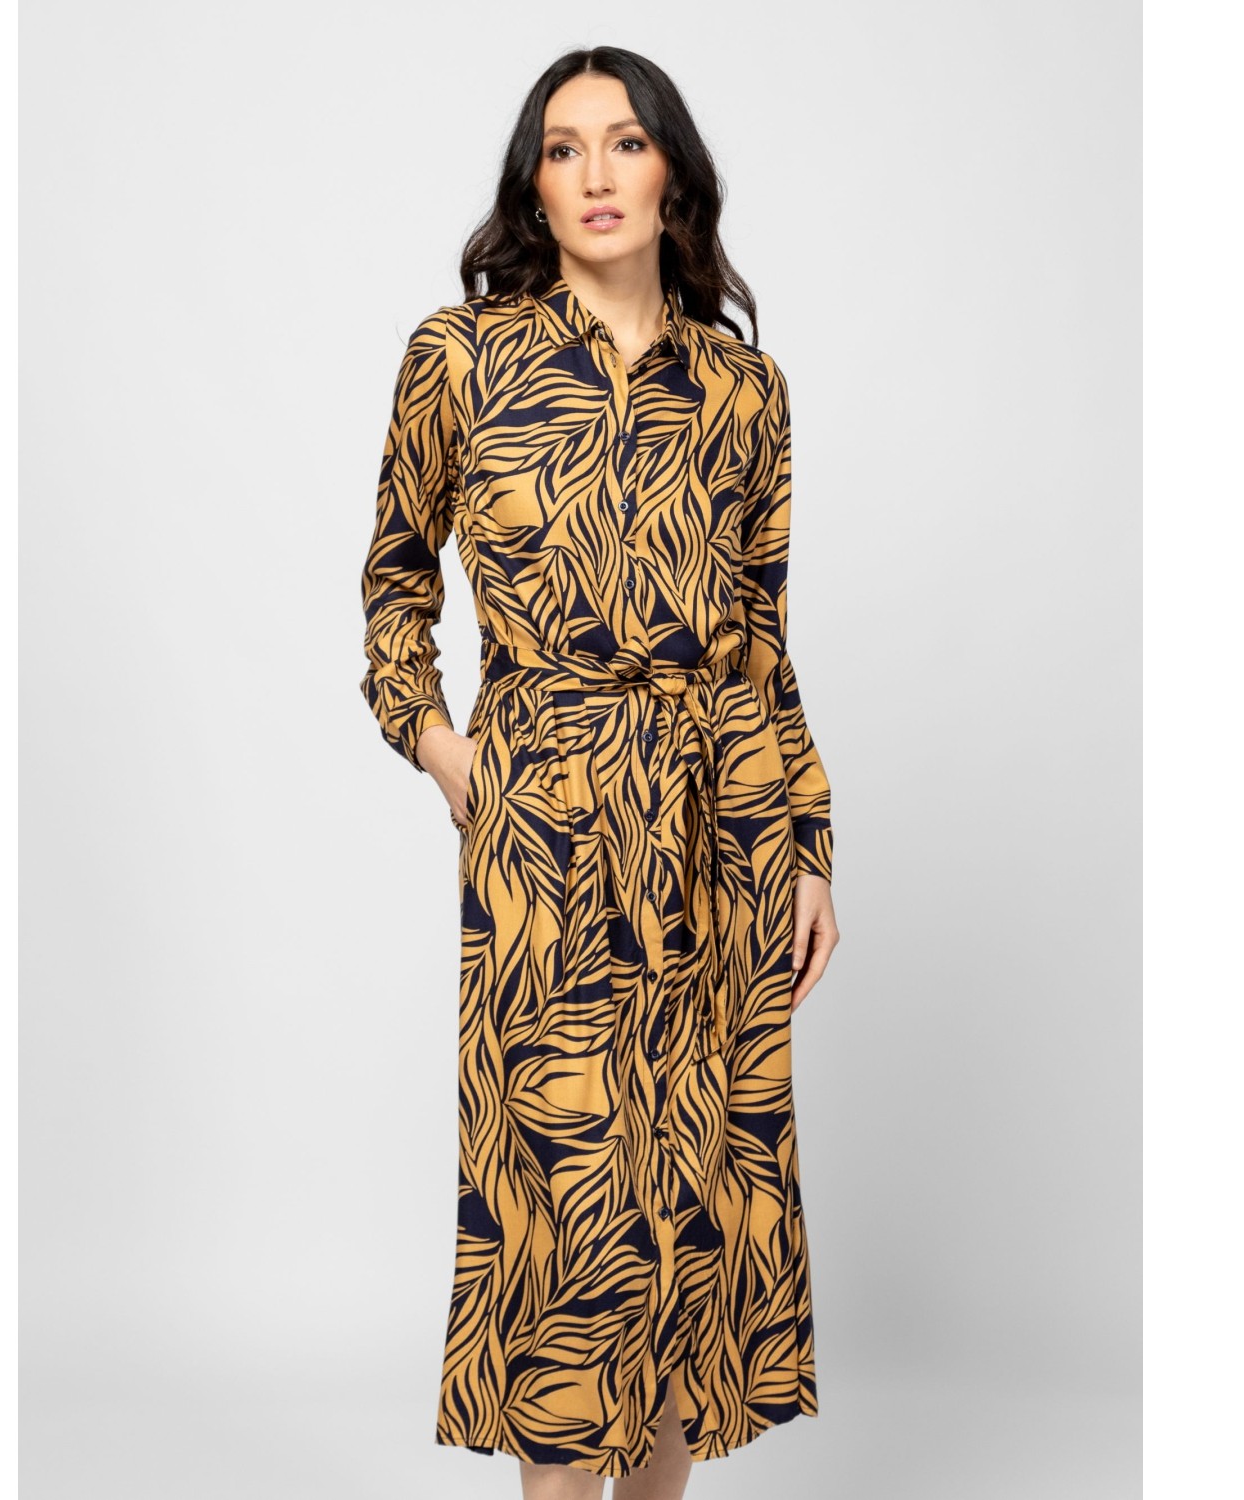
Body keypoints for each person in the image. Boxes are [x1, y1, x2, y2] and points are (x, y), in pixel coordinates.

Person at [358, 45, 839, 1499]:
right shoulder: (462, 359)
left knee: (688, 1231)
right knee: (569, 1237)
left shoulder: (744, 389)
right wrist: (442, 747)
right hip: (550, 829)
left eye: (624, 142)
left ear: (672, 170)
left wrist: (807, 846)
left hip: (718, 825)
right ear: (534, 189)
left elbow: (760, 636)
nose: (595, 174)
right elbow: (395, 585)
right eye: (562, 150)